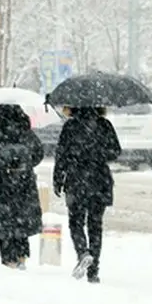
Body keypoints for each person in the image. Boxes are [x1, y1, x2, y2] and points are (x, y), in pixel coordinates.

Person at [53, 107, 121, 283]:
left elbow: (61, 155)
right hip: (100, 180)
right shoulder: (104, 125)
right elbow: (116, 151)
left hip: (76, 180)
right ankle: (94, 271)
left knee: (75, 222)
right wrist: (98, 153)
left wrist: (58, 179)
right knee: (95, 225)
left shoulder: (70, 127)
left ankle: (83, 252)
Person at [0, 104, 44, 269]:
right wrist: (23, 167)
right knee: (21, 227)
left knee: (4, 229)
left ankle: (8, 261)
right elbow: (38, 154)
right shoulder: (27, 134)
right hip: (24, 188)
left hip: (0, 189)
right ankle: (21, 257)